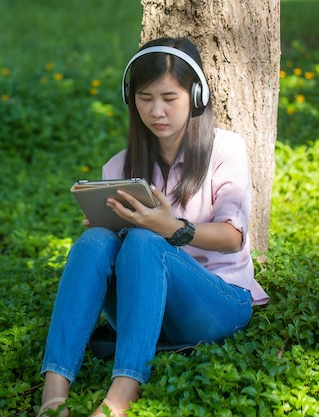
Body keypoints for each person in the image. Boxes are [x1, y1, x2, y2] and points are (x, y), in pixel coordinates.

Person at [38, 37, 269, 417]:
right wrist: (107, 226)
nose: (156, 111)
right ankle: (54, 390)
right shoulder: (118, 167)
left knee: (146, 240)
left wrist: (173, 227)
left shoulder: (225, 149)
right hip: (144, 306)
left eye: (169, 98)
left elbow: (232, 238)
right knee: (95, 240)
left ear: (196, 97)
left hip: (217, 302)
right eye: (145, 98)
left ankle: (122, 394)